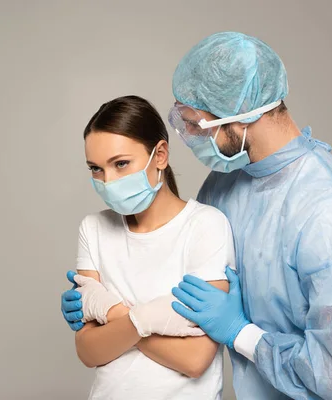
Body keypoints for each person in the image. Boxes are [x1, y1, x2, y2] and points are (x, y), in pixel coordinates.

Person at [61, 32, 332, 399]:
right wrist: (98, 309)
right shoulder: (222, 188)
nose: (186, 136)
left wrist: (240, 332)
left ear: (240, 116)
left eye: (194, 123)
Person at [67, 95, 236, 400]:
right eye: (96, 168)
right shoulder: (93, 229)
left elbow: (195, 359)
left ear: (159, 155)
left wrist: (116, 315)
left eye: (121, 164)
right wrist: (150, 319)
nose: (108, 181)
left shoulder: (205, 226)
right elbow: (88, 351)